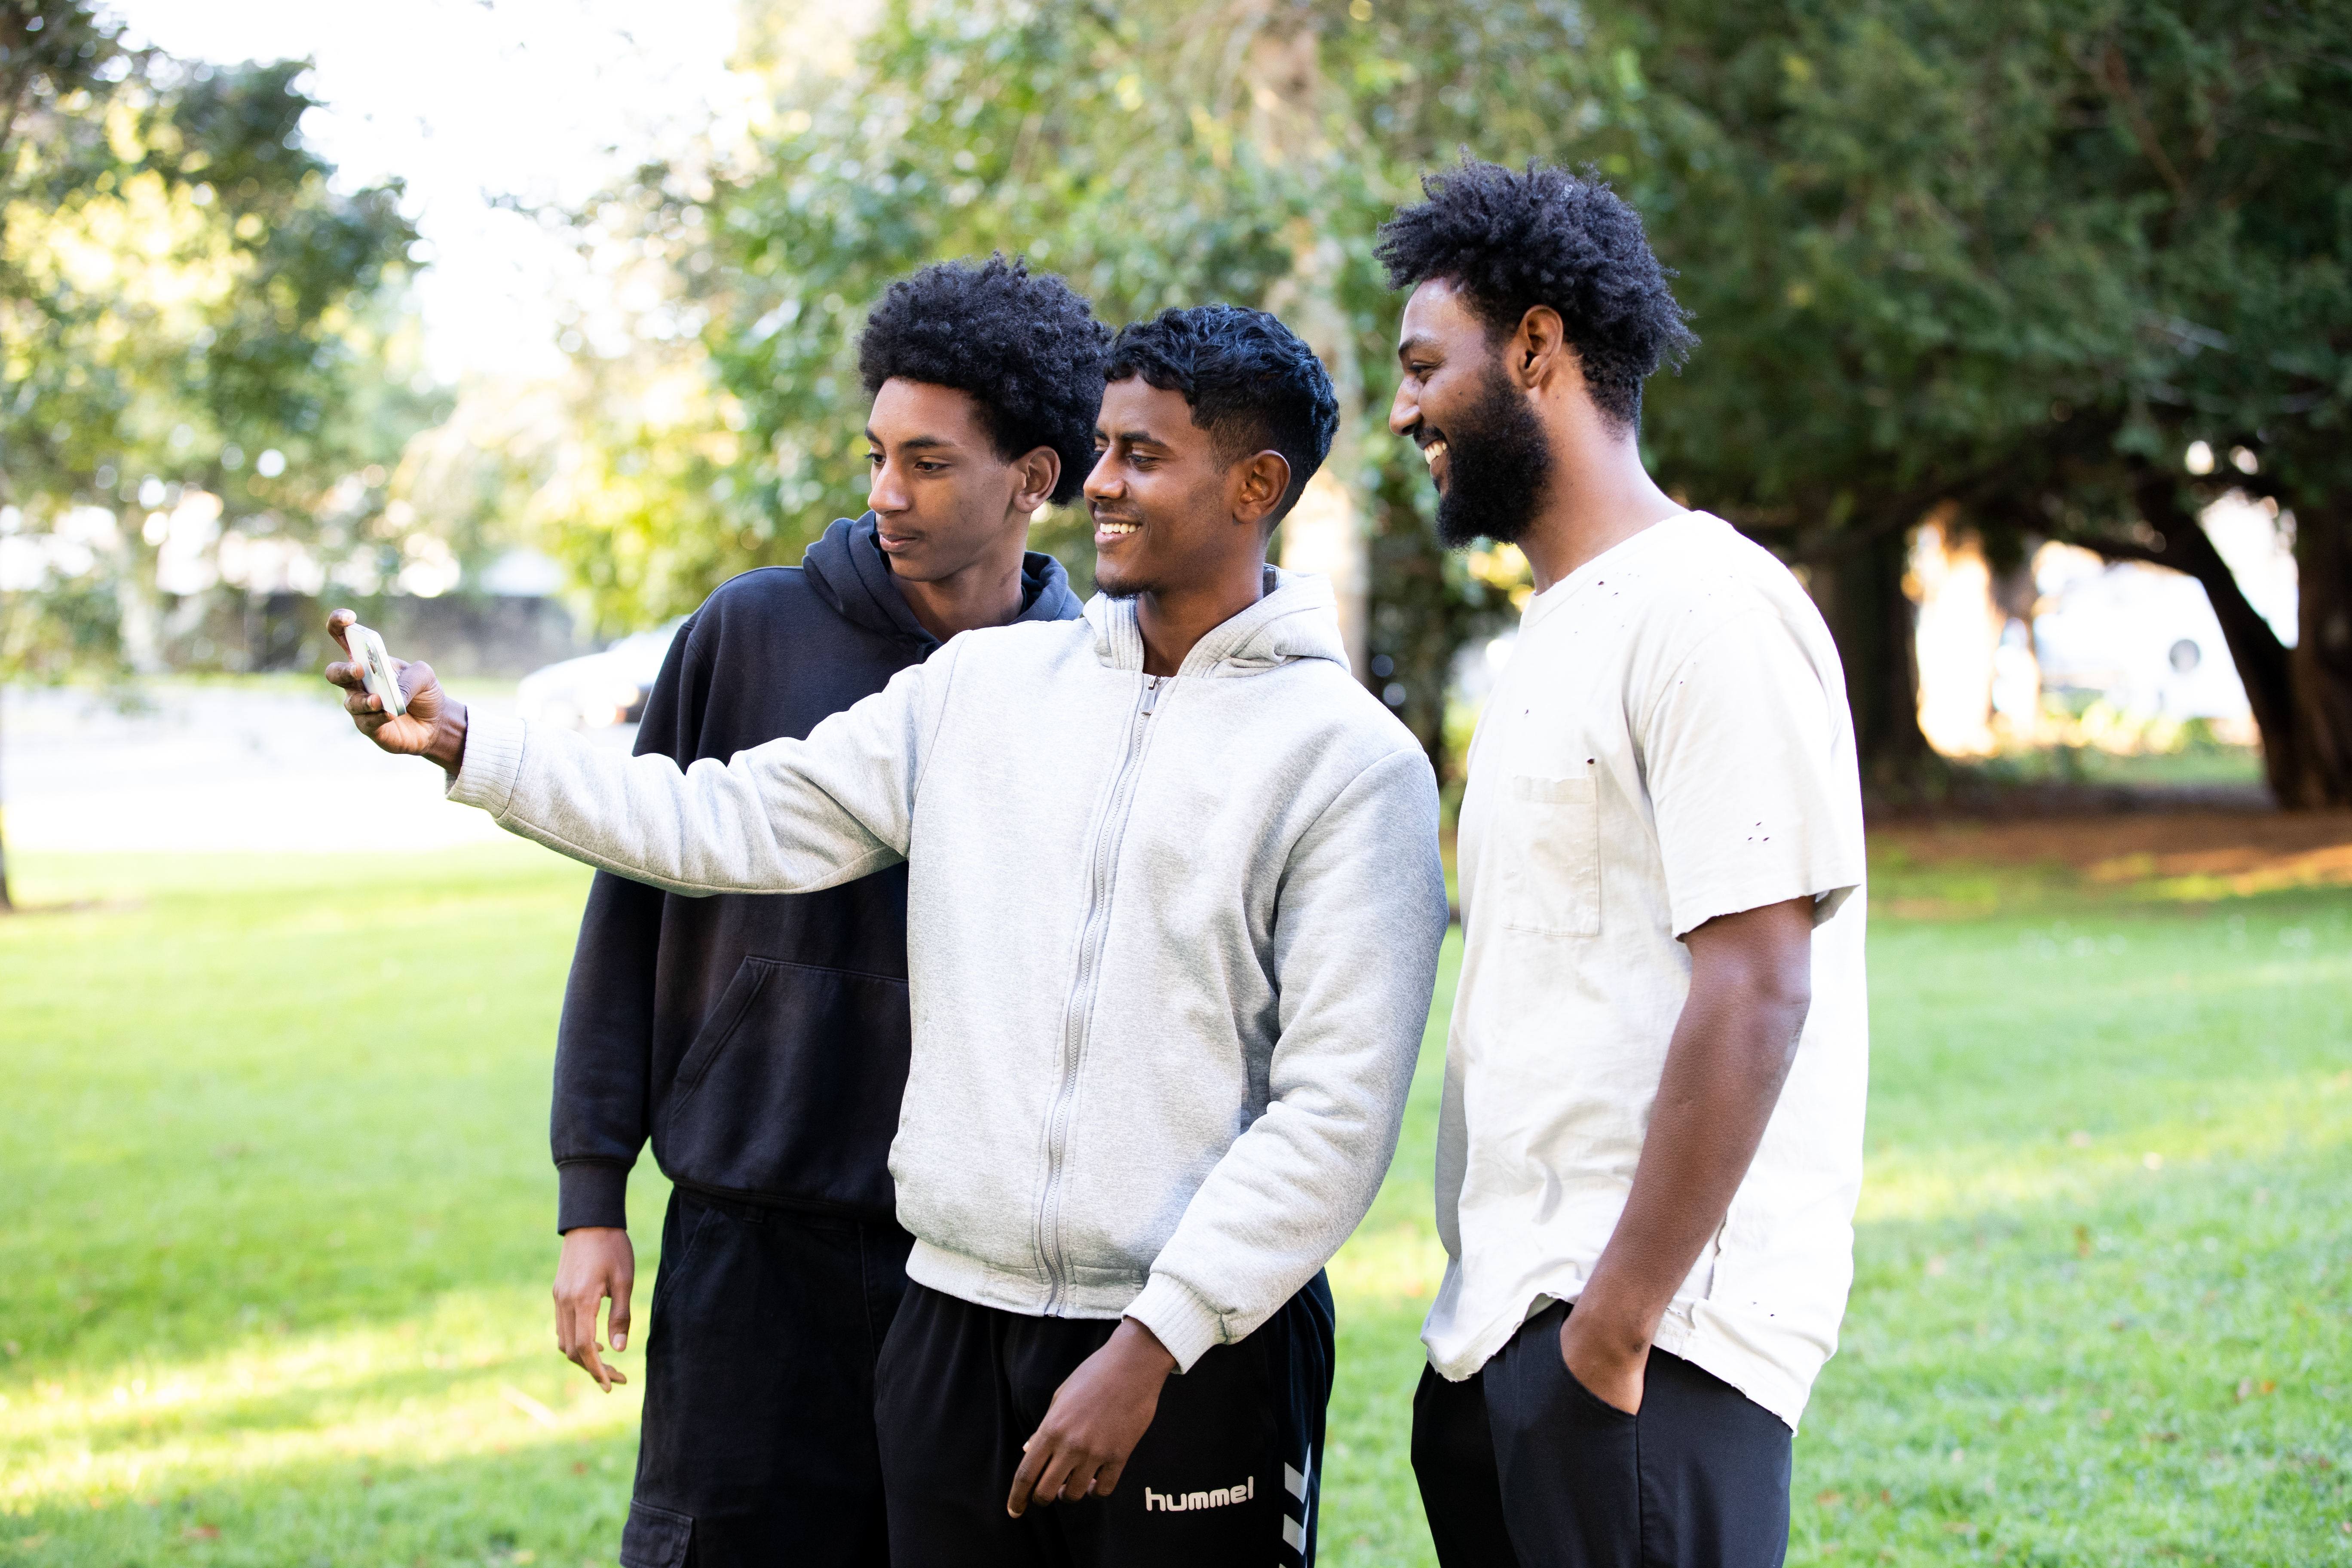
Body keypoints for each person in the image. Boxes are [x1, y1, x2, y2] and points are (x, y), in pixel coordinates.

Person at [327, 303, 1449, 1568]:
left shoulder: (1352, 765)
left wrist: (1153, 1346)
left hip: (1193, 1351)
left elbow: (1337, 1116)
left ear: (1257, 484)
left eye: (1142, 455)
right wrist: (473, 744)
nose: (1101, 486)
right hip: (952, 1328)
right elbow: (721, 821)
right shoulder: (983, 693)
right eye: (1100, 449)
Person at [511, 256, 1096, 1568]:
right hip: (748, 1236)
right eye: (878, 452)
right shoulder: (751, 631)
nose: (886, 491)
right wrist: (589, 1196)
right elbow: (635, 903)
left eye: (930, 463)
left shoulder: (1094, 675)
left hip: (981, 1262)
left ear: (1037, 479)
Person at [1380, 157, 1869, 1568]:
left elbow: (1763, 985)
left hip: (1655, 1358)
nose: (1405, 406)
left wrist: (1615, 1326)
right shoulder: (1561, 628)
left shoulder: (1707, 609)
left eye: (1428, 363)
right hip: (1510, 1337)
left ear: (1535, 349)